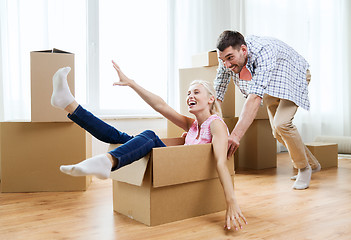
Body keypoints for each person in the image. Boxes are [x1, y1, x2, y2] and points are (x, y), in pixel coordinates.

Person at [50, 61, 247, 230]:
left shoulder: (216, 125)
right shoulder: (193, 124)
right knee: (119, 137)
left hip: (175, 171)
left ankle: (108, 161)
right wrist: (131, 83)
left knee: (150, 136)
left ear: (211, 99)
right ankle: (69, 104)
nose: (190, 96)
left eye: (196, 92)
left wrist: (231, 200)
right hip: (167, 165)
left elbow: (221, 163)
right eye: (188, 93)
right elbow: (161, 106)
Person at [214, 30, 321, 190]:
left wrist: (235, 135)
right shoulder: (225, 59)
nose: (227, 65)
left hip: (294, 76)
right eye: (223, 60)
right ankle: (312, 164)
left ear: (243, 50)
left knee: (282, 124)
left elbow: (255, 97)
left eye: (230, 58)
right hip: (274, 82)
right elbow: (219, 90)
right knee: (277, 132)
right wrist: (208, 121)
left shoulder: (264, 52)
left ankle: (303, 168)